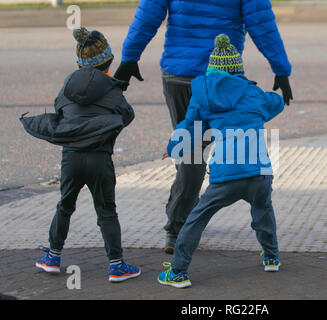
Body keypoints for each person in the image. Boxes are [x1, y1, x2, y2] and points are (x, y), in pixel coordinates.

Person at [114, 0, 293, 254]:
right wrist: (281, 68)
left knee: (191, 151)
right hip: (221, 78)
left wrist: (130, 56)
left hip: (178, 75)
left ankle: (181, 214)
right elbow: (261, 23)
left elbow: (148, 13)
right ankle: (178, 225)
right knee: (194, 154)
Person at [157, 34, 284, 288]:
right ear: (238, 70)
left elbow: (190, 128)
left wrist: (172, 147)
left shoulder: (203, 95)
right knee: (263, 211)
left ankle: (178, 272)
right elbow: (276, 102)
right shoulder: (253, 93)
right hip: (259, 171)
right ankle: (271, 257)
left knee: (198, 217)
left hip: (227, 176)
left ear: (212, 68)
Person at [20, 27, 141, 283]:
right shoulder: (112, 90)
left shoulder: (67, 87)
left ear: (79, 62)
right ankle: (116, 265)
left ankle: (52, 257)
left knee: (65, 205)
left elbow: (60, 112)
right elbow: (126, 116)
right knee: (106, 210)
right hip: (100, 159)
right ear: (108, 61)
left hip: (71, 157)